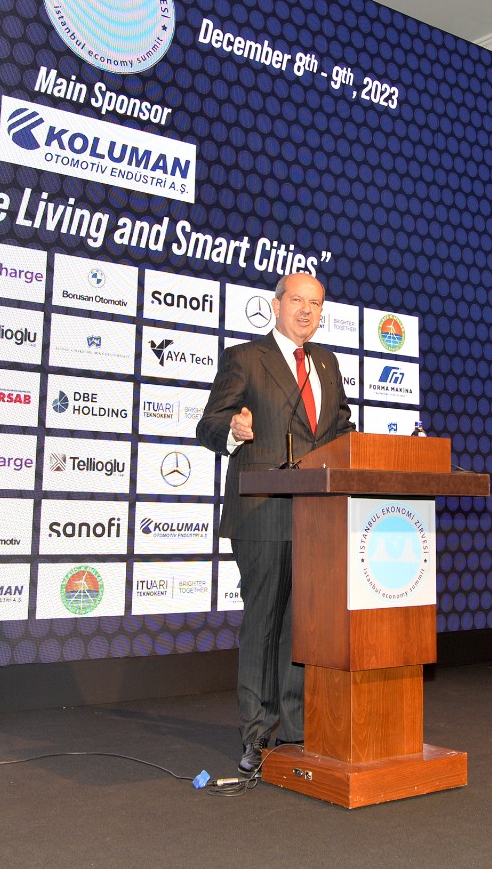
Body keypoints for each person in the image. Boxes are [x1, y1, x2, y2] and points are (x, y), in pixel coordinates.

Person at [197, 271, 353, 773]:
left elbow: (341, 429)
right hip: (263, 510)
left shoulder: (326, 363)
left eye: (315, 304)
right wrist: (234, 428)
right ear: (277, 305)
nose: (306, 310)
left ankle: (297, 729)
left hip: (317, 516)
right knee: (264, 624)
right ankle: (256, 734)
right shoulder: (245, 358)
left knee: (303, 626)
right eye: (297, 301)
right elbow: (208, 424)